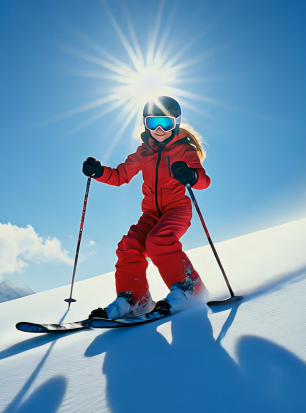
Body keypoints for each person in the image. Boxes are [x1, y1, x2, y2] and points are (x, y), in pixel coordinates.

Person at [82, 96, 210, 320]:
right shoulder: (143, 152)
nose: (159, 129)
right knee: (128, 245)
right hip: (151, 213)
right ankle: (135, 299)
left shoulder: (184, 150)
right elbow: (121, 175)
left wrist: (190, 175)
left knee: (158, 240)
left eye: (166, 123)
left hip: (177, 209)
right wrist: (99, 172)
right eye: (153, 123)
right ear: (145, 124)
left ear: (176, 123)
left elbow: (203, 181)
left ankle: (190, 288)